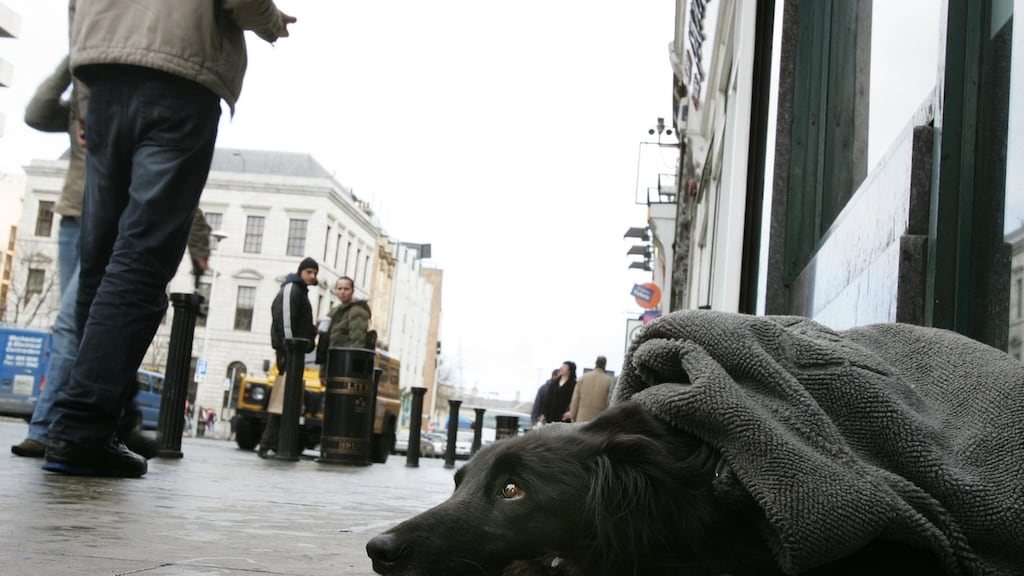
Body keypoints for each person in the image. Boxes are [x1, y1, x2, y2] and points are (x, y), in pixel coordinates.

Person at [44, 0, 296, 477]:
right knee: (139, 260)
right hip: (177, 78)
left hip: (102, 76)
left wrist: (83, 90)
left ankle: (105, 421)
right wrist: (272, 22)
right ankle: (82, 428)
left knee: (98, 261)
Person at [11, 55, 210, 459]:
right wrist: (70, 65)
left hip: (117, 220)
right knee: (85, 318)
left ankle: (58, 426)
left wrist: (200, 249)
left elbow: (174, 188)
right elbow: (35, 114)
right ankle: (102, 422)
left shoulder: (131, 109)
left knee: (84, 319)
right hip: (74, 215)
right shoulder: (85, 109)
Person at [258, 257, 319, 459]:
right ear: (301, 271)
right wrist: (289, 346)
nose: (313, 276)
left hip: (295, 351)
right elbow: (284, 318)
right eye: (309, 272)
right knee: (285, 398)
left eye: (315, 273)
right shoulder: (292, 289)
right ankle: (269, 444)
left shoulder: (299, 291)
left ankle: (274, 444)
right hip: (290, 352)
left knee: (286, 399)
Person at [316, 276, 372, 370]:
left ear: (352, 291)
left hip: (344, 367)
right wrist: (323, 371)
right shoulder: (334, 311)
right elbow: (325, 342)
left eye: (346, 289)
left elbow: (357, 343)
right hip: (333, 364)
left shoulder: (357, 311)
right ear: (335, 290)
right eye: (339, 289)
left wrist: (349, 370)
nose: (342, 292)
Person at [566, 356, 615, 423]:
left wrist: (572, 415)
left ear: (595, 363)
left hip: (581, 417)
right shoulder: (609, 380)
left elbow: (575, 399)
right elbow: (610, 401)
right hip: (600, 418)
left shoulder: (583, 377)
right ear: (605, 364)